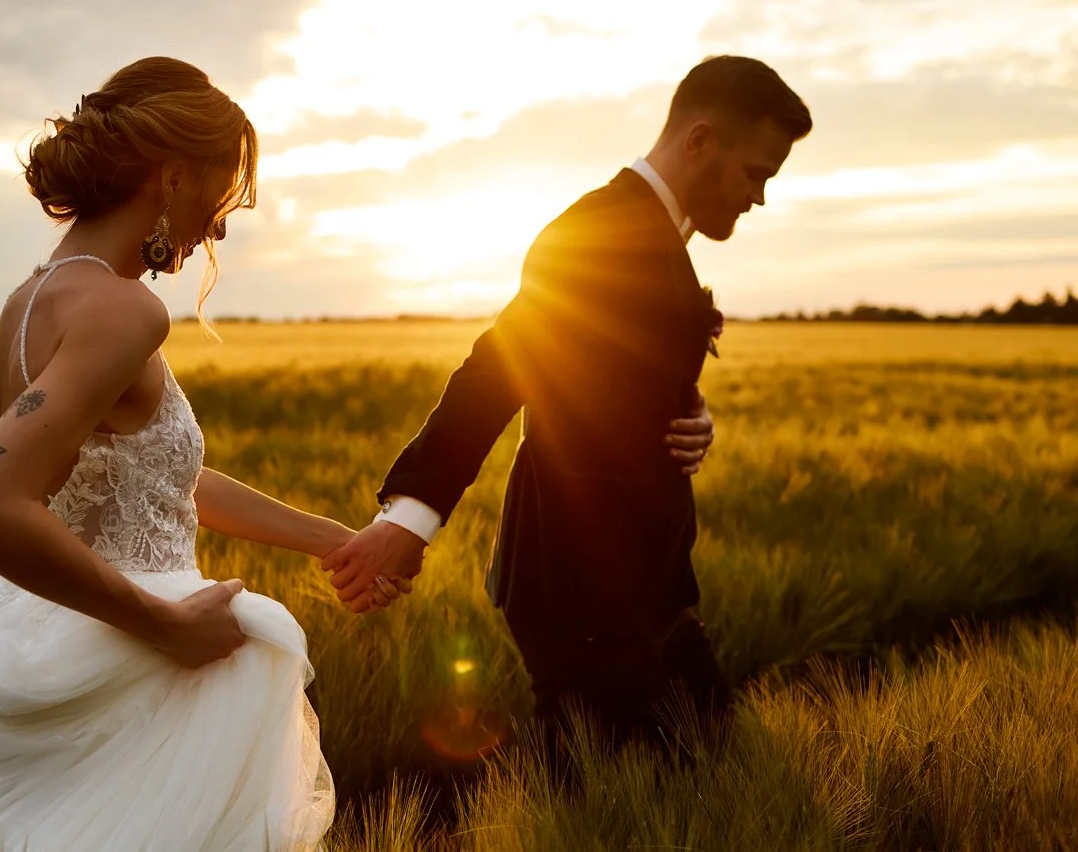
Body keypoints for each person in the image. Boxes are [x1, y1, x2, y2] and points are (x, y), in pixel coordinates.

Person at [0, 57, 409, 852]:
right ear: (171, 175)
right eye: (222, 193)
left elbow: (157, 482)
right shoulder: (125, 311)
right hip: (136, 659)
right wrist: (160, 623)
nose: (220, 226)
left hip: (47, 628)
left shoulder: (28, 303)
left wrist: (330, 539)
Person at [324, 56, 813, 754]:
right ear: (699, 141)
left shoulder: (654, 234)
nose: (759, 197)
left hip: (648, 577)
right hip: (585, 577)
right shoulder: (599, 231)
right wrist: (412, 516)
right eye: (757, 173)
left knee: (705, 763)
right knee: (600, 794)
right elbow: (499, 368)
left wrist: (690, 410)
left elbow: (610, 367)